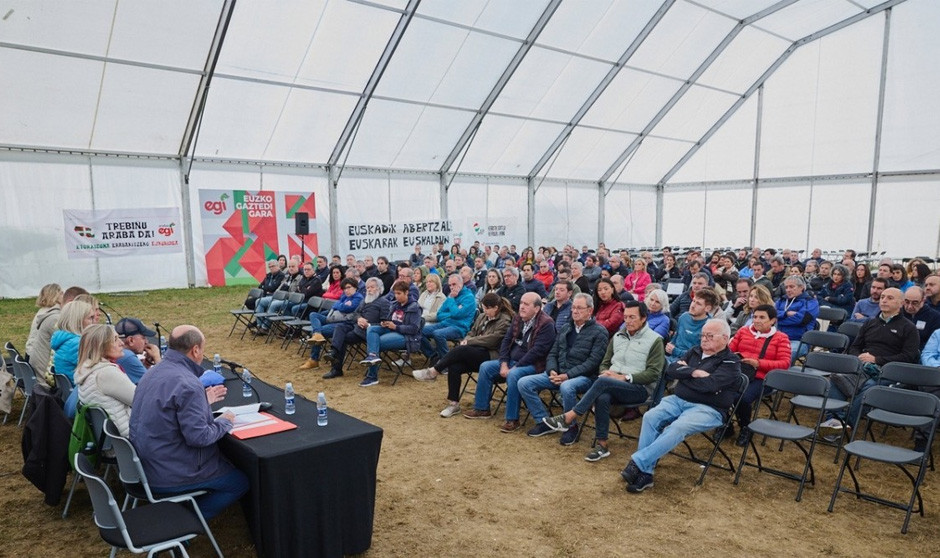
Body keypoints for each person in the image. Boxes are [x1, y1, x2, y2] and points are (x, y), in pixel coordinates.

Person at [129, 326, 248, 519]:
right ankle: (186, 523)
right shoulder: (188, 383)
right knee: (239, 481)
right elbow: (199, 437)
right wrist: (225, 421)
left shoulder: (152, 372)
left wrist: (202, 402)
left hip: (146, 465)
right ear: (195, 350)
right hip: (170, 473)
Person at [620, 319, 742, 493]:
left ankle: (638, 462)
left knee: (678, 427)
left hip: (709, 408)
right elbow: (670, 370)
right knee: (650, 416)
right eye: (703, 335)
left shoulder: (731, 362)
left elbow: (710, 386)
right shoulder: (694, 351)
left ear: (724, 338)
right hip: (678, 400)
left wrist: (685, 377)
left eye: (710, 336)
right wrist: (693, 372)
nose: (704, 339)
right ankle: (646, 473)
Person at [543, 301, 665, 461]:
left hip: (638, 388)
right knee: (602, 396)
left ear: (643, 318)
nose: (627, 321)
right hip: (612, 385)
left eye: (632, 317)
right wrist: (605, 372)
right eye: (626, 317)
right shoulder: (618, 336)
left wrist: (624, 377)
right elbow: (605, 362)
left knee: (603, 383)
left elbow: (654, 373)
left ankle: (569, 417)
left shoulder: (655, 340)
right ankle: (602, 445)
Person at [824, 288, 920, 429]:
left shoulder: (909, 328)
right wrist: (858, 358)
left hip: (888, 371)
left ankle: (846, 423)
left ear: (901, 304)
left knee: (869, 387)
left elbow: (909, 356)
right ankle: (833, 419)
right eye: (882, 297)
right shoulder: (870, 323)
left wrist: (877, 359)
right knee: (836, 378)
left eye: (890, 298)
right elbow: (855, 346)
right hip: (863, 365)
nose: (884, 300)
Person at [518, 294, 609, 444]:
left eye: (579, 308)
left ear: (590, 311)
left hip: (585, 377)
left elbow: (593, 362)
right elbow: (553, 352)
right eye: (573, 307)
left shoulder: (600, 332)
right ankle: (544, 422)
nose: (575, 311)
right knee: (524, 383)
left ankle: (570, 426)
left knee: (567, 387)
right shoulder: (566, 327)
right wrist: (552, 370)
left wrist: (567, 375)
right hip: (559, 373)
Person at [463, 293, 556, 433]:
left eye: (526, 304)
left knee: (514, 375)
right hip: (512, 360)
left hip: (534, 365)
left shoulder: (546, 323)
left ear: (537, 308)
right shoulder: (518, 318)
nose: (522, 307)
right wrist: (504, 363)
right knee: (486, 367)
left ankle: (512, 419)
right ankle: (482, 409)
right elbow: (506, 341)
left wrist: (515, 367)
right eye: (521, 303)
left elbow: (537, 352)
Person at [413, 294, 513, 417]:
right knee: (455, 366)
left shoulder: (505, 320)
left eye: (487, 309)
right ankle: (453, 404)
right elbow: (471, 332)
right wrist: (467, 340)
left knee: (461, 350)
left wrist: (469, 342)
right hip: (475, 352)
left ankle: (434, 371)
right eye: (483, 308)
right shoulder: (482, 316)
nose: (485, 311)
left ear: (496, 308)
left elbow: (492, 340)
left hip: (491, 355)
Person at [728, 304, 791, 446]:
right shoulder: (743, 331)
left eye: (762, 317)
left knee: (742, 398)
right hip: (738, 373)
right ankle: (726, 424)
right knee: (718, 391)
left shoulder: (781, 338)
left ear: (773, 320)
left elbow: (785, 363)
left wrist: (758, 363)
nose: (757, 320)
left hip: (762, 378)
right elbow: (728, 351)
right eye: (755, 317)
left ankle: (746, 427)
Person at [316, 278, 390, 379]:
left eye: (372, 287)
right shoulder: (365, 300)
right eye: (367, 287)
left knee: (342, 339)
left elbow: (384, 323)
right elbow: (355, 313)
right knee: (339, 327)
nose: (369, 289)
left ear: (379, 289)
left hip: (368, 331)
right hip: (355, 325)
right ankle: (333, 352)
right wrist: (359, 318)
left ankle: (336, 368)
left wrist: (368, 324)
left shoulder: (384, 302)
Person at [73, 324, 136, 436]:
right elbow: (141, 401)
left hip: (113, 441)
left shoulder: (86, 370)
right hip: (129, 438)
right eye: (115, 340)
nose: (122, 343)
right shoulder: (106, 373)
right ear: (101, 346)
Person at [359, 281, 423, 387]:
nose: (396, 296)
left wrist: (396, 327)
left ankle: (372, 376)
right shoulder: (394, 305)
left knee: (375, 343)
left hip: (406, 336)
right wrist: (384, 323)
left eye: (399, 293)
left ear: (406, 292)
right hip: (391, 329)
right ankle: (372, 357)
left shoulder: (414, 307)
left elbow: (414, 329)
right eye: (395, 293)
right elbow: (389, 319)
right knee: (371, 329)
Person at [420, 274, 477, 363]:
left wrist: (451, 299)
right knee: (419, 331)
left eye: (454, 284)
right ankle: (434, 356)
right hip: (445, 323)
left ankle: (447, 363)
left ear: (461, 284)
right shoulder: (451, 296)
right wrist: (451, 313)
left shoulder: (468, 298)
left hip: (460, 327)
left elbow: (457, 314)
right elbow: (439, 314)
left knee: (438, 334)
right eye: (450, 285)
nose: (451, 287)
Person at [665, 288, 720, 365]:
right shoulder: (684, 317)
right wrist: (670, 345)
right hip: (671, 358)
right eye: (693, 301)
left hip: (689, 363)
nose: (693, 305)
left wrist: (675, 351)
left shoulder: (709, 326)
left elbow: (700, 354)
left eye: (698, 304)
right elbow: (676, 339)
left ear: (708, 308)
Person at [50, 300, 96, 384]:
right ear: (78, 321)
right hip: (79, 391)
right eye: (91, 318)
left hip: (71, 389)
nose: (95, 322)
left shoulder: (66, 339)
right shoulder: (77, 343)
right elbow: (97, 368)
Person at [774, 276, 820, 362]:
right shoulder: (781, 301)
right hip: (776, 338)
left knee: (784, 357)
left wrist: (779, 319)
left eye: (791, 287)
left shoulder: (811, 302)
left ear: (801, 287)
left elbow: (802, 320)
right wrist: (786, 314)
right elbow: (771, 315)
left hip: (798, 340)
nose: (788, 290)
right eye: (786, 287)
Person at [25, 283, 63, 378]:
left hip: (31, 354)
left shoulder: (44, 311)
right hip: (39, 359)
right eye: (61, 293)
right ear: (54, 295)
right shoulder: (52, 315)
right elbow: (61, 338)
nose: (64, 295)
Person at [114, 317, 160, 384]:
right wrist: (157, 358)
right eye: (143, 338)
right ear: (131, 340)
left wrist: (147, 363)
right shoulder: (127, 356)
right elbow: (156, 385)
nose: (146, 342)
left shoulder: (120, 353)